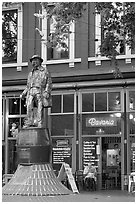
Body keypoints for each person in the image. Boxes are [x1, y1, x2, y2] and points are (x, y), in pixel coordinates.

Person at [20, 55, 52, 128]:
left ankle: (39, 123)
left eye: (35, 60)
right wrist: (24, 93)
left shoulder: (45, 71)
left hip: (39, 90)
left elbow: (49, 82)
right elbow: (28, 86)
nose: (34, 62)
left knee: (40, 107)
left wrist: (47, 91)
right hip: (31, 91)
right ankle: (29, 122)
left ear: (40, 61)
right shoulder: (30, 73)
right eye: (32, 61)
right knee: (29, 106)